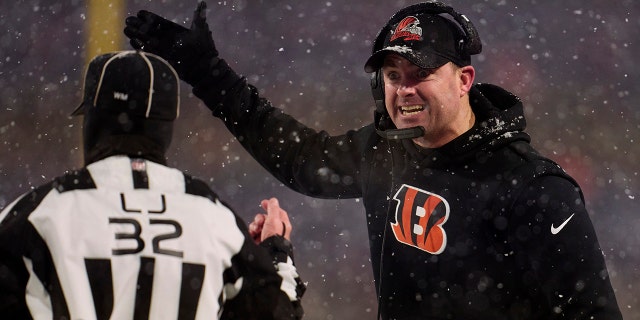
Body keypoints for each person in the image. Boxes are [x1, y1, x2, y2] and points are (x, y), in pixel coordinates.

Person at [124, 2, 623, 319]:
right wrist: (206, 72)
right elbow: (297, 157)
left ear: (464, 80)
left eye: (419, 72)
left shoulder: (535, 188)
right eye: (391, 74)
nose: (403, 89)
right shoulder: (385, 151)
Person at [0, 50, 305, 319]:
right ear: (165, 126)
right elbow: (275, 313)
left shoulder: (40, 213)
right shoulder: (213, 217)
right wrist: (276, 254)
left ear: (94, 120)